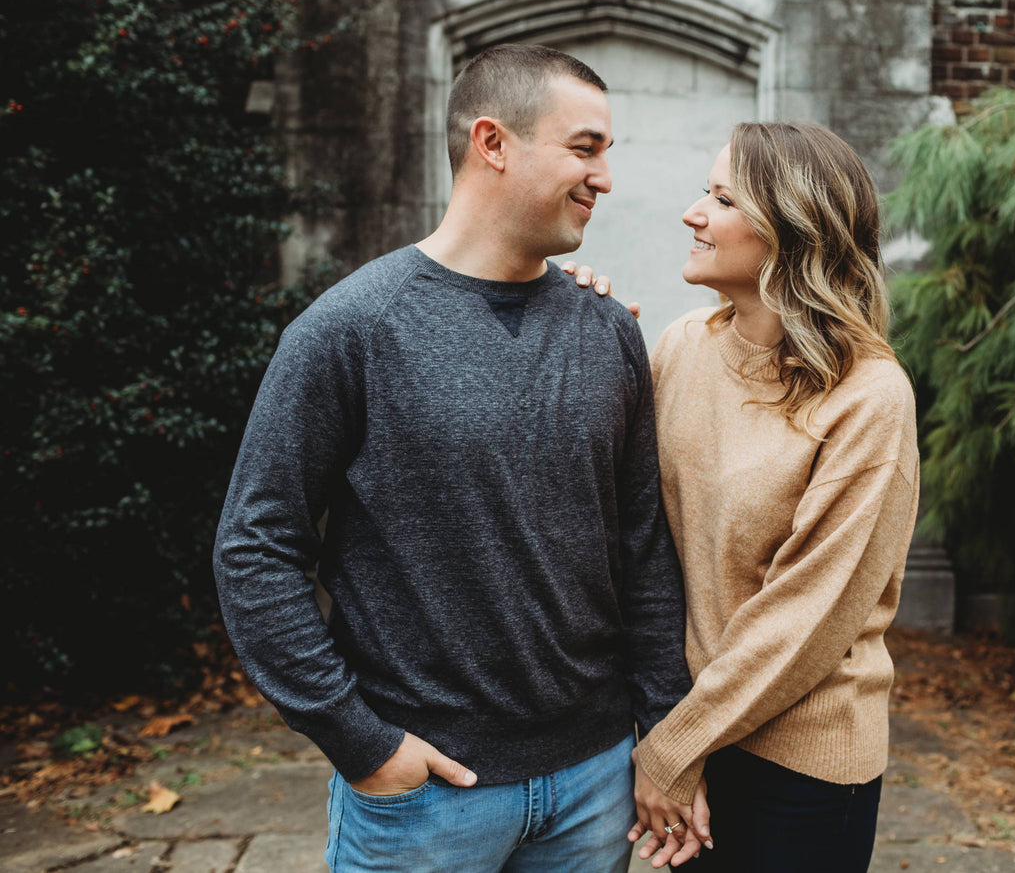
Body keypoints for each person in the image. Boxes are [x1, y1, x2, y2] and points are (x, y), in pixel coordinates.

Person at [212, 43, 698, 873]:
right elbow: (255, 549)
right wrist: (360, 741)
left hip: (594, 784)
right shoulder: (350, 331)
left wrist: (662, 733)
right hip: (425, 796)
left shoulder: (606, 328)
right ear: (492, 142)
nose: (606, 176)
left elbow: (643, 550)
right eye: (586, 147)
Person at [568, 120, 919, 872]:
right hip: (685, 735)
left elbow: (808, 615)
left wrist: (672, 749)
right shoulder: (682, 345)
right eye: (705, 191)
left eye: (722, 198)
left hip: (799, 762)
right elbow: (626, 524)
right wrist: (571, 329)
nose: (694, 213)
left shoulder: (869, 395)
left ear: (793, 231)